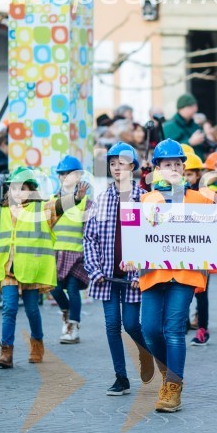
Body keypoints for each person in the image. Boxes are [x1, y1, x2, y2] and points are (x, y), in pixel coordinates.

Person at [132, 139, 217, 412]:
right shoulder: (146, 200)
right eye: (168, 164)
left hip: (185, 274)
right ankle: (168, 373)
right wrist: (130, 259)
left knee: (174, 330)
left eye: (178, 163)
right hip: (153, 274)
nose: (175, 168)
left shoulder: (199, 198)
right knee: (150, 330)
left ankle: (173, 388)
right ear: (157, 168)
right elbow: (134, 235)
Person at [0, 167, 87, 369]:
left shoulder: (42, 210)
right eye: (13, 188)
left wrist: (75, 198)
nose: (17, 193)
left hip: (31, 269)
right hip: (7, 270)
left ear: (32, 190)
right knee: (9, 308)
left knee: (32, 310)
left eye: (22, 188)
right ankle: (7, 352)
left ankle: (37, 345)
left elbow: (59, 205)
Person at [84, 141, 154, 395]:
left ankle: (145, 353)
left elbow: (151, 239)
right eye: (112, 164)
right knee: (112, 325)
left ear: (132, 167)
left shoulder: (144, 199)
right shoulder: (100, 201)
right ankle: (121, 377)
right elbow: (89, 238)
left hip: (133, 277)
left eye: (121, 164)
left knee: (132, 324)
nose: (116, 168)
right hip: (106, 277)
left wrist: (140, 272)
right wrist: (94, 270)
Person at [182, 151, 217, 344]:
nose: (185, 177)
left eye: (189, 174)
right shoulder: (174, 194)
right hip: (181, 247)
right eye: (184, 173)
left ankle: (203, 329)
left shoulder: (206, 193)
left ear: (198, 175)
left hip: (203, 247)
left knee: (201, 292)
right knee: (181, 288)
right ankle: (183, 323)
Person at [51, 155, 90, 344]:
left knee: (73, 289)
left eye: (69, 173)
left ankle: (72, 326)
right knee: (55, 289)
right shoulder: (52, 200)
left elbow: (90, 230)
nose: (65, 177)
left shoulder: (85, 202)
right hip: (56, 253)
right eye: (62, 174)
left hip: (77, 253)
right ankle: (66, 312)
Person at [163, 93, 207, 158]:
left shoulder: (195, 125)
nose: (196, 109)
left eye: (195, 106)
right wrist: (189, 142)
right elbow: (167, 149)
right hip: (181, 166)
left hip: (199, 165)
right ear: (182, 108)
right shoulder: (169, 126)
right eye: (192, 107)